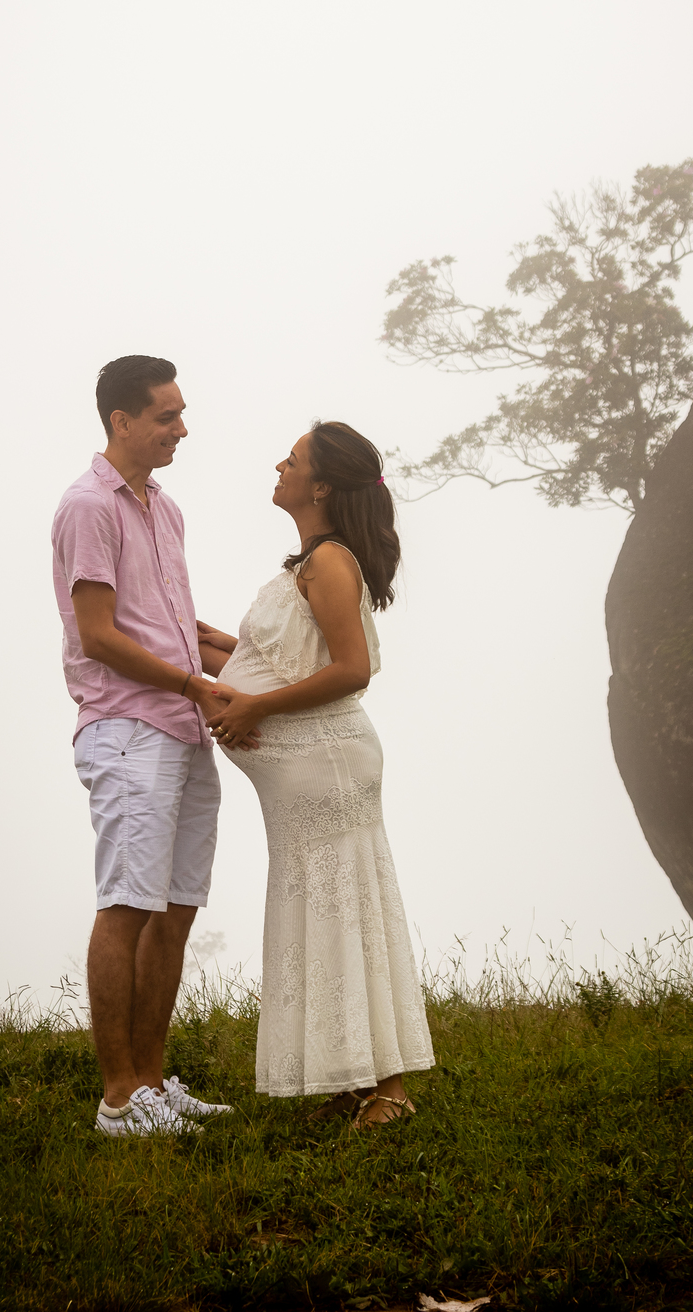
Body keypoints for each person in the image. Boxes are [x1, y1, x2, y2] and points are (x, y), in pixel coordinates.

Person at [197, 421, 435, 1126]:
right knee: (315, 914)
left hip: (329, 766)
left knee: (346, 910)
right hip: (300, 779)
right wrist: (209, 650)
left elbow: (350, 670)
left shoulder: (331, 561)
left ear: (322, 485)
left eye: (293, 460)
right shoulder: (302, 563)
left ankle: (389, 1088)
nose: (279, 464)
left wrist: (253, 708)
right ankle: (346, 1077)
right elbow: (279, 660)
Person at [51, 355, 242, 1137]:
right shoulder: (86, 507)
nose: (181, 429)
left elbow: (176, 625)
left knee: (176, 909)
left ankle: (156, 1083)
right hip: (128, 727)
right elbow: (97, 636)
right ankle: (119, 1099)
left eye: (180, 413)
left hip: (184, 727)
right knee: (127, 906)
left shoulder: (165, 510)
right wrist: (194, 685)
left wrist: (242, 673)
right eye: (167, 416)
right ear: (121, 421)